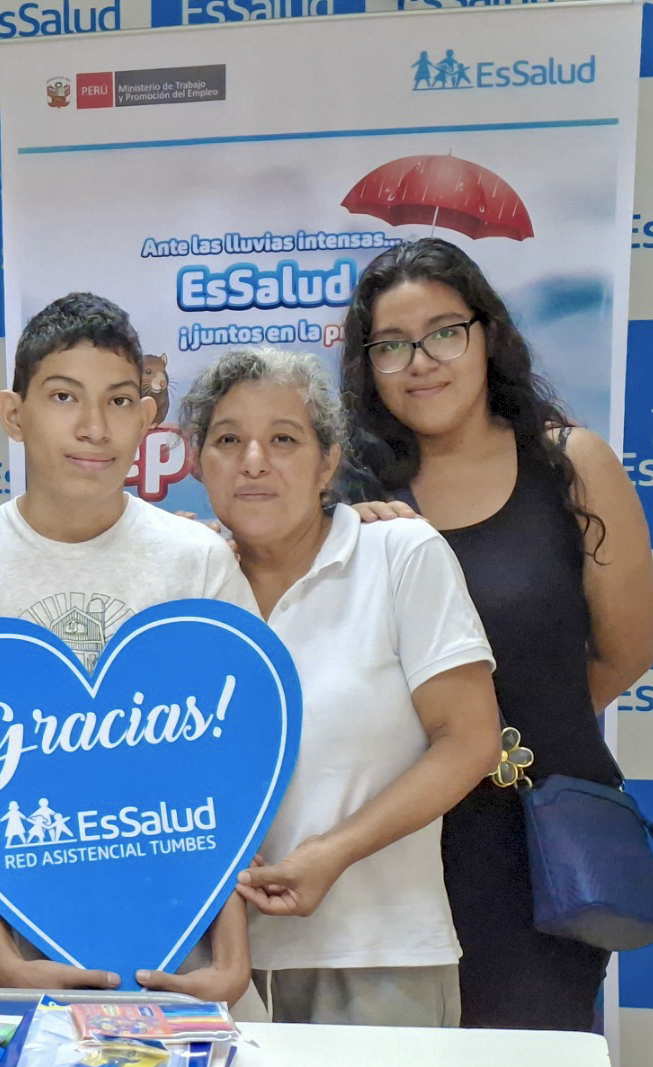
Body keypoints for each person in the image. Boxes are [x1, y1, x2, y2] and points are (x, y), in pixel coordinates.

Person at [0, 292, 259, 1006]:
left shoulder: (196, 563)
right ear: (14, 414)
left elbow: (228, 775)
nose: (94, 427)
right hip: (9, 969)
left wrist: (231, 960)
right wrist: (4, 960)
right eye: (64, 396)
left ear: (148, 421)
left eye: (121, 401)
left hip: (186, 961)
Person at [341, 237, 653, 1031]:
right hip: (398, 847)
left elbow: (625, 652)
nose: (422, 361)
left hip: (540, 847)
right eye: (393, 346)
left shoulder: (571, 465)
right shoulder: (352, 494)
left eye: (445, 332)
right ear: (367, 365)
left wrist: (497, 735)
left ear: (489, 335)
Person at [179, 346, 500, 1027]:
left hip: (380, 956)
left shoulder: (399, 556)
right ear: (198, 461)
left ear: (328, 462)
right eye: (228, 440)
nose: (255, 460)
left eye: (284, 439)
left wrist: (335, 853)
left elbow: (470, 740)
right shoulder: (185, 588)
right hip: (203, 968)